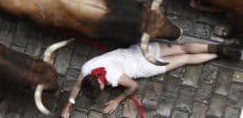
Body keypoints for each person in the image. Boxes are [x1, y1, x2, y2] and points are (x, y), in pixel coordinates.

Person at [61, 42, 242, 117]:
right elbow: (77, 85)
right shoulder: (87, 68)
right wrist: (67, 107)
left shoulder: (114, 77)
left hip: (147, 66)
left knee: (185, 59)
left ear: (101, 83)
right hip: (142, 50)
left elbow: (133, 86)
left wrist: (117, 100)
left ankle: (219, 55)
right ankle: (217, 47)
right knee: (183, 47)